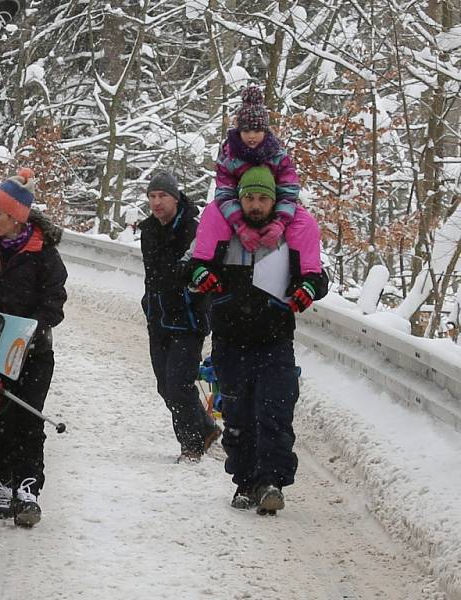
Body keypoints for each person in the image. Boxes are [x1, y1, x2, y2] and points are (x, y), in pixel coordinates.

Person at [189, 165, 329, 515]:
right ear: (239, 199)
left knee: (275, 411)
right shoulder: (222, 230)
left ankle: (271, 481)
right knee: (237, 415)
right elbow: (191, 265)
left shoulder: (289, 233)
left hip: (274, 339)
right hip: (230, 338)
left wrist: (307, 289)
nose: (255, 205)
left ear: (274, 200)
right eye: (249, 197)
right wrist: (201, 276)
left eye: (263, 198)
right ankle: (245, 481)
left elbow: (316, 276)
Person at [0, 167, 67, 527]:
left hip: (35, 353)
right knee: (0, 418)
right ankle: (3, 485)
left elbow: (55, 300)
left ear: (16, 216)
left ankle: (28, 490)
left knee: (28, 417)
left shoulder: (44, 254)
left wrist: (36, 329)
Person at [138, 170, 221, 463]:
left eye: (163, 196)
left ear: (176, 198)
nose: (157, 202)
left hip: (188, 319)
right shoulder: (147, 230)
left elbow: (191, 272)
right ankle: (208, 427)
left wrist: (191, 292)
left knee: (179, 384)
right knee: (165, 386)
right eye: (152, 196)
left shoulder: (194, 229)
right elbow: (153, 276)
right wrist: (149, 303)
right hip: (158, 318)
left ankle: (191, 445)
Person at [209, 85, 301, 253]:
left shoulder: (277, 156)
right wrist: (240, 225)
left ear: (265, 131)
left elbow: (289, 190)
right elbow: (224, 192)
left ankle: (305, 268)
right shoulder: (230, 157)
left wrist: (279, 222)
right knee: (212, 213)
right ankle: (206, 260)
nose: (251, 136)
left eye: (257, 130)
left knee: (304, 220)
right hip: (240, 210)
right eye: (246, 130)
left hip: (271, 209)